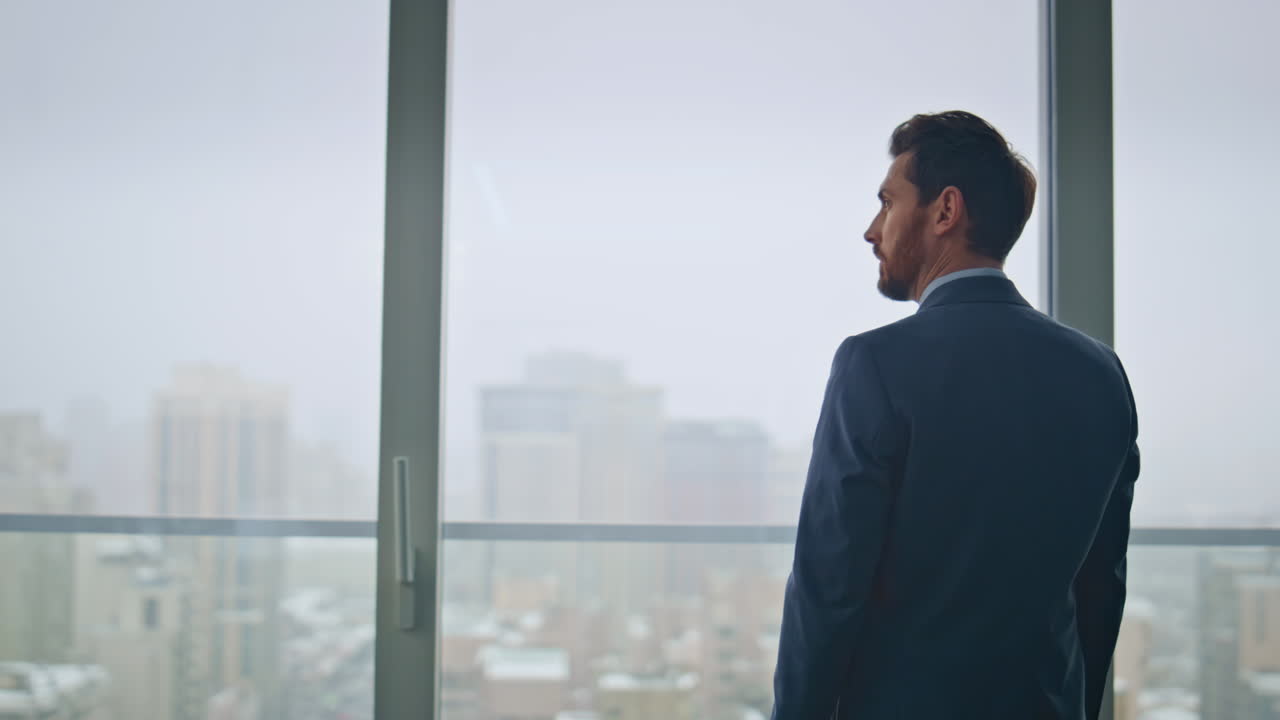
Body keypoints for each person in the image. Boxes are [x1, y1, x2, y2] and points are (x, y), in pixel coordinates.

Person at [771, 111, 1139, 720]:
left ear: (945, 211)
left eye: (887, 202)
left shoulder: (874, 365)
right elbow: (1102, 590)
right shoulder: (1102, 374)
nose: (871, 229)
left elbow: (828, 587)